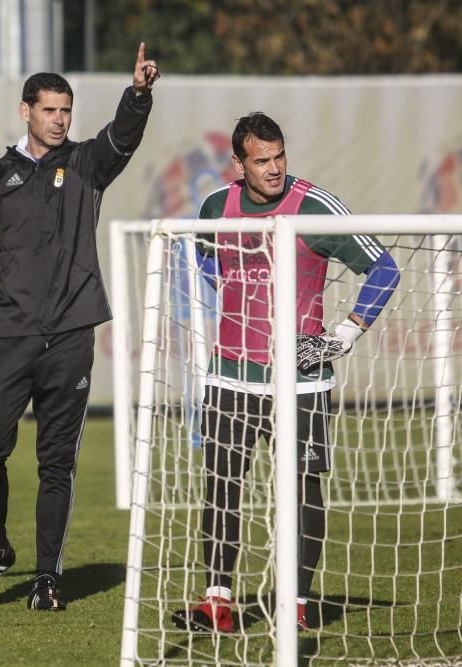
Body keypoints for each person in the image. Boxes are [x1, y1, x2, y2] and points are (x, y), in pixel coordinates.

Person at [0, 44, 161, 611]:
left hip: (71, 336)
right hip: (11, 336)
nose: (59, 120)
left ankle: (48, 575)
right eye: (49, 110)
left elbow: (121, 138)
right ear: (25, 110)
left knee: (57, 462)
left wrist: (138, 96)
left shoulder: (83, 165)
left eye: (66, 111)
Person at [172, 111, 401, 633]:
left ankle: (295, 605)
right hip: (229, 376)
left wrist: (343, 334)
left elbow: (384, 267)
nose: (273, 169)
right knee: (221, 484)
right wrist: (232, 306)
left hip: (299, 380)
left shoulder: (316, 206)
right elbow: (207, 260)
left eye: (279, 157)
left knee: (301, 490)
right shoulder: (216, 206)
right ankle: (218, 602)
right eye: (261, 160)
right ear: (238, 163)